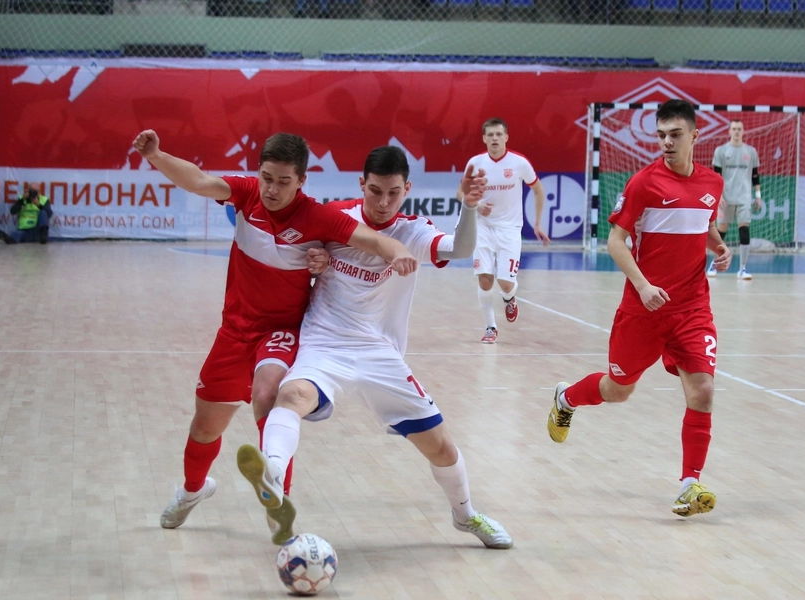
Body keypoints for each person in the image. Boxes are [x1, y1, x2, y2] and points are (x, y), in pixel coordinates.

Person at [132, 129, 418, 542]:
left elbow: (372, 239)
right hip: (234, 332)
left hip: (281, 331)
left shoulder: (317, 216)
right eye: (267, 178)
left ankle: (277, 502)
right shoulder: (246, 194)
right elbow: (198, 180)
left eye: (284, 181)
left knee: (268, 392)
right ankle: (193, 490)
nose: (272, 189)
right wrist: (157, 156)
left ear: (301, 181)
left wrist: (398, 251)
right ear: (259, 173)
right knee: (205, 428)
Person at [235, 147, 513, 549]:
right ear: (361, 184)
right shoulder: (336, 218)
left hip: (380, 353)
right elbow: (293, 256)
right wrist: (316, 261)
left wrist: (468, 207)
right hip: (325, 342)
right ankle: (272, 474)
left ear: (407, 190)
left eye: (394, 193)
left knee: (441, 448)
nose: (384, 202)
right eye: (376, 191)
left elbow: (460, 250)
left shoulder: (413, 231)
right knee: (291, 395)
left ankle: (466, 515)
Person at [546, 99, 732, 518]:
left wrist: (719, 246)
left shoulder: (712, 182)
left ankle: (689, 484)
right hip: (643, 310)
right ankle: (567, 398)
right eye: (661, 135)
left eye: (675, 135)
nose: (666, 142)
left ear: (695, 136)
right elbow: (615, 242)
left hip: (692, 308)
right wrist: (644, 286)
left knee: (703, 391)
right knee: (619, 391)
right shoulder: (644, 183)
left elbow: (703, 225)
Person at [463, 117, 548, 344]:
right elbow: (460, 192)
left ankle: (509, 297)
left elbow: (538, 190)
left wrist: (537, 223)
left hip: (510, 229)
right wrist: (476, 206)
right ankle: (490, 327)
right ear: (484, 138)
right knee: (484, 280)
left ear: (506, 137)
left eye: (499, 134)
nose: (495, 138)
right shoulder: (476, 163)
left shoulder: (519, 163)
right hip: (482, 227)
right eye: (490, 135)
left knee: (506, 283)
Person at [708, 120, 761, 280]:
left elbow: (755, 176)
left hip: (744, 197)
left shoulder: (750, 151)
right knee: (721, 231)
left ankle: (743, 268)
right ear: (729, 131)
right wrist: (718, 196)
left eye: (739, 129)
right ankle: (714, 263)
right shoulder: (721, 151)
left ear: (743, 131)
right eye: (734, 129)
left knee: (744, 230)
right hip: (726, 198)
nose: (737, 131)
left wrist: (758, 196)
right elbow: (716, 176)